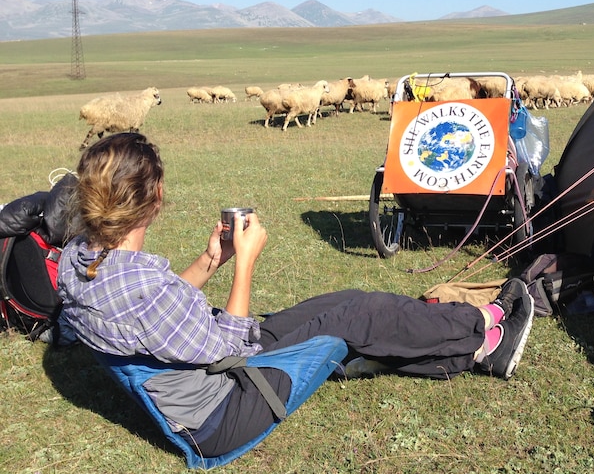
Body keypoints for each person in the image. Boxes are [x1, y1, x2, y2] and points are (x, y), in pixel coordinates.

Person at [57, 132, 534, 458]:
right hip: (221, 415)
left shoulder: (80, 260)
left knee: (341, 300)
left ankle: (467, 354)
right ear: (156, 195)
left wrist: (210, 261)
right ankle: (484, 330)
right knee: (359, 315)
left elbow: (153, 316)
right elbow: (232, 350)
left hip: (194, 387)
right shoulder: (141, 287)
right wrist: (245, 262)